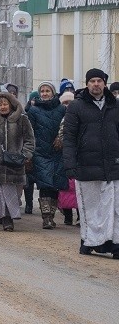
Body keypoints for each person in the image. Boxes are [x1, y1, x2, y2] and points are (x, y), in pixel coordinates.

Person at [62, 68, 119, 258]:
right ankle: (90, 241)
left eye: (99, 81)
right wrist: (70, 164)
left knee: (114, 207)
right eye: (92, 81)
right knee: (92, 208)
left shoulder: (115, 105)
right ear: (87, 83)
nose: (96, 84)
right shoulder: (77, 106)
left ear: (105, 83)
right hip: (87, 165)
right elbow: (69, 138)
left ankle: (115, 243)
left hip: (113, 165)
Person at [0, 92, 35, 232]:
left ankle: (12, 214)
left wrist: (25, 154)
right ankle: (6, 219)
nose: (3, 107)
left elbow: (30, 139)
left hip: (16, 163)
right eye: (0, 104)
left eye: (5, 104)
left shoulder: (22, 120)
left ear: (11, 104)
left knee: (14, 193)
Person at [26, 81, 68, 229]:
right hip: (41, 152)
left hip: (57, 152)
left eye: (47, 91)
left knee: (55, 185)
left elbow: (67, 127)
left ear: (53, 92)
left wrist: (61, 139)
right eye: (42, 91)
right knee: (44, 184)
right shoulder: (33, 110)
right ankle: (46, 218)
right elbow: (29, 132)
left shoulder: (62, 109)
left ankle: (51, 214)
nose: (44, 93)